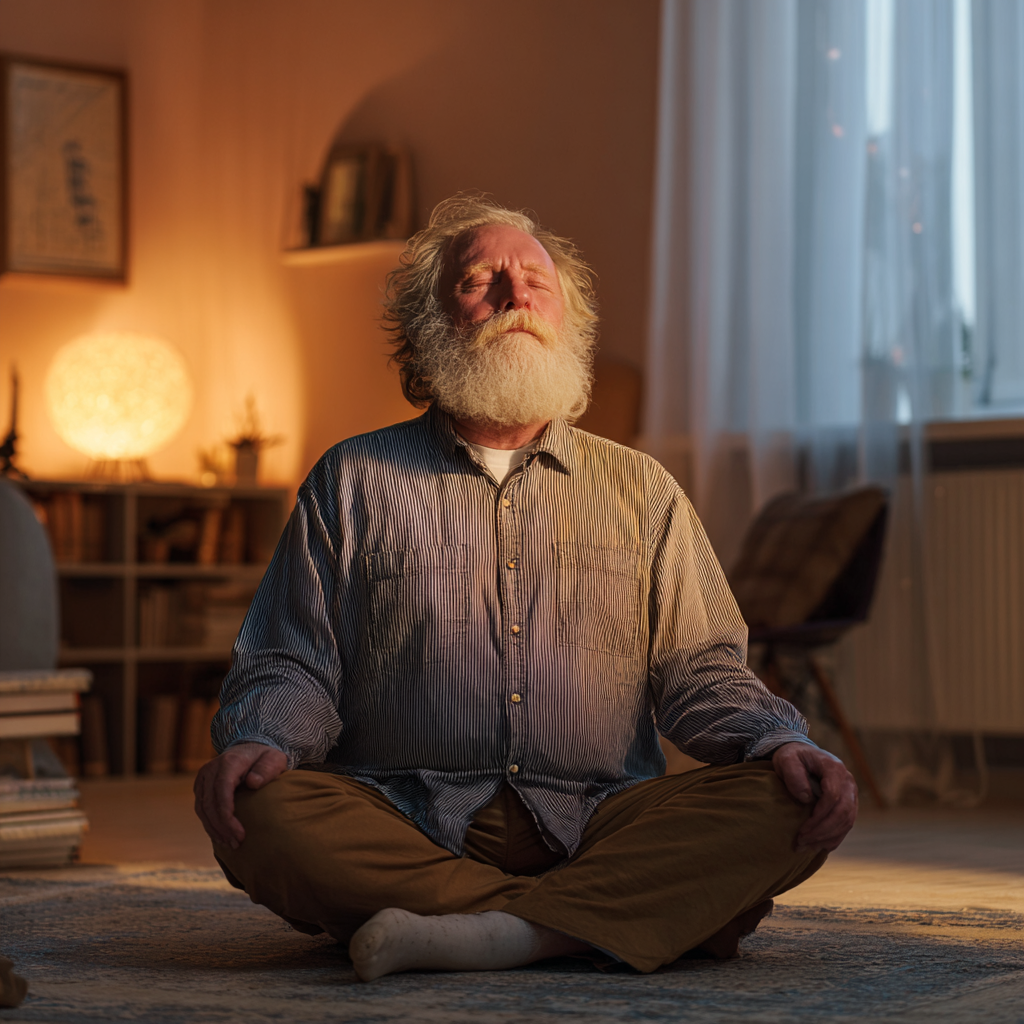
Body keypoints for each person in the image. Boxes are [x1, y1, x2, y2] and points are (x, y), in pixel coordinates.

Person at [194, 194, 857, 982]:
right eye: (482, 281)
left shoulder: (642, 488)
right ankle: (605, 918)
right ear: (429, 321)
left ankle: (485, 931)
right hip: (404, 813)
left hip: (604, 816)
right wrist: (263, 736)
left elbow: (700, 668)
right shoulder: (353, 479)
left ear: (567, 318)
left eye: (536, 282)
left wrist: (779, 739)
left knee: (789, 802)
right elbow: (291, 658)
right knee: (261, 812)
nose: (516, 299)